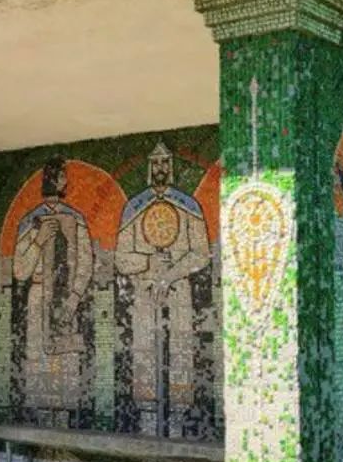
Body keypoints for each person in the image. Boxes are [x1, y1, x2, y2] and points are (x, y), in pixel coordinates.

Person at [115, 143, 212, 437]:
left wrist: (170, 274)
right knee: (145, 354)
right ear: (149, 167)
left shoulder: (187, 205)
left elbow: (201, 253)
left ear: (171, 166)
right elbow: (121, 258)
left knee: (181, 353)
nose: (159, 168)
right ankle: (147, 424)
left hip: (178, 291)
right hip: (145, 294)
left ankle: (178, 426)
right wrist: (148, 261)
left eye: (164, 162)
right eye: (155, 162)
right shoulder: (134, 207)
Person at [11, 157, 94, 427]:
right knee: (40, 369)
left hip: (66, 299)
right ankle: (42, 430)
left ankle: (63, 430)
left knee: (65, 371)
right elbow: (20, 270)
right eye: (57, 175)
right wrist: (38, 240)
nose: (61, 180)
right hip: (38, 300)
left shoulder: (75, 219)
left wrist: (73, 299)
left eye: (62, 176)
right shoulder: (29, 221)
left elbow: (85, 263)